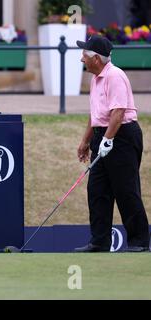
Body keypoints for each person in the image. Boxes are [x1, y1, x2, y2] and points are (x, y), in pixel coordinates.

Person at [74, 35, 150, 252]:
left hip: (123, 136)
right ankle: (100, 241)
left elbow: (118, 112)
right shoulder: (96, 79)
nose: (82, 60)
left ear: (96, 58)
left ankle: (139, 242)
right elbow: (95, 113)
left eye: (84, 55)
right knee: (97, 190)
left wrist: (108, 140)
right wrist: (86, 141)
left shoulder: (115, 76)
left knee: (126, 189)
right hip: (103, 135)